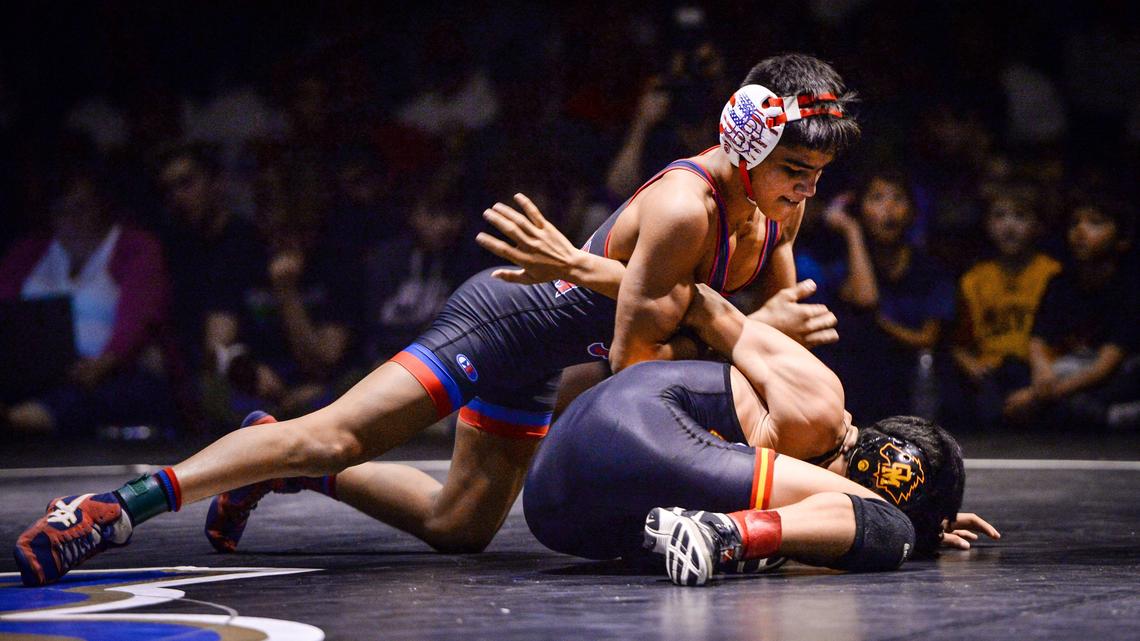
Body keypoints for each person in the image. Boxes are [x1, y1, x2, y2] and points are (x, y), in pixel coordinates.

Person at [14, 53, 857, 586]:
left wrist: (842, 456)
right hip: (505, 321)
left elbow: (765, 328)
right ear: (745, 145)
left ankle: (277, 462)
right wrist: (726, 375)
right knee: (335, 432)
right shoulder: (684, 207)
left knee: (459, 528)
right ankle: (110, 508)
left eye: (816, 173)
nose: (805, 189)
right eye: (793, 169)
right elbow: (635, 379)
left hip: (556, 346)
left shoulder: (777, 202)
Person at [523, 285, 997, 587]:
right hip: (643, 420)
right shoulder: (822, 406)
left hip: (556, 506)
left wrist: (933, 520)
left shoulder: (807, 459)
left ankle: (713, 531)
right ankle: (726, 534)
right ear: (891, 469)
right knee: (891, 531)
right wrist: (582, 266)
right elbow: (700, 305)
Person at [0, 163, 176, 436]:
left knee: (110, 392)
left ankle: (17, 421)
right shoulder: (27, 253)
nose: (73, 219)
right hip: (33, 375)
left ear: (102, 205)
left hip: (108, 372)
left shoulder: (135, 247)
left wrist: (105, 363)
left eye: (81, 207)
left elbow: (142, 317)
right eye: (63, 210)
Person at [818, 168, 956, 422]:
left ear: (913, 211)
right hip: (858, 385)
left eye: (897, 199)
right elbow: (866, 298)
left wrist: (878, 323)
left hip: (911, 384)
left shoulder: (931, 270)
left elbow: (927, 338)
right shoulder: (843, 268)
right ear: (860, 210)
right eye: (877, 198)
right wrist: (852, 230)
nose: (888, 208)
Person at [1004, 194, 1139, 429]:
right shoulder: (1060, 283)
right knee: (1011, 370)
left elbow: (1106, 366)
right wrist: (1042, 373)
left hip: (1111, 375)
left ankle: (1108, 417)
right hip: (1071, 371)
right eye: (1075, 223)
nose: (1081, 231)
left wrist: (1038, 396)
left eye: (1095, 223)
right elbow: (1038, 340)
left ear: (1123, 239)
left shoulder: (1130, 288)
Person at [944, 185, 1060, 430]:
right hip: (991, 375)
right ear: (987, 224)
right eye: (1000, 216)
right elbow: (957, 342)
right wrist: (970, 364)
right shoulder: (973, 279)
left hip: (1041, 375)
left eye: (1020, 216)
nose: (1009, 226)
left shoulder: (1053, 274)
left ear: (1038, 225)